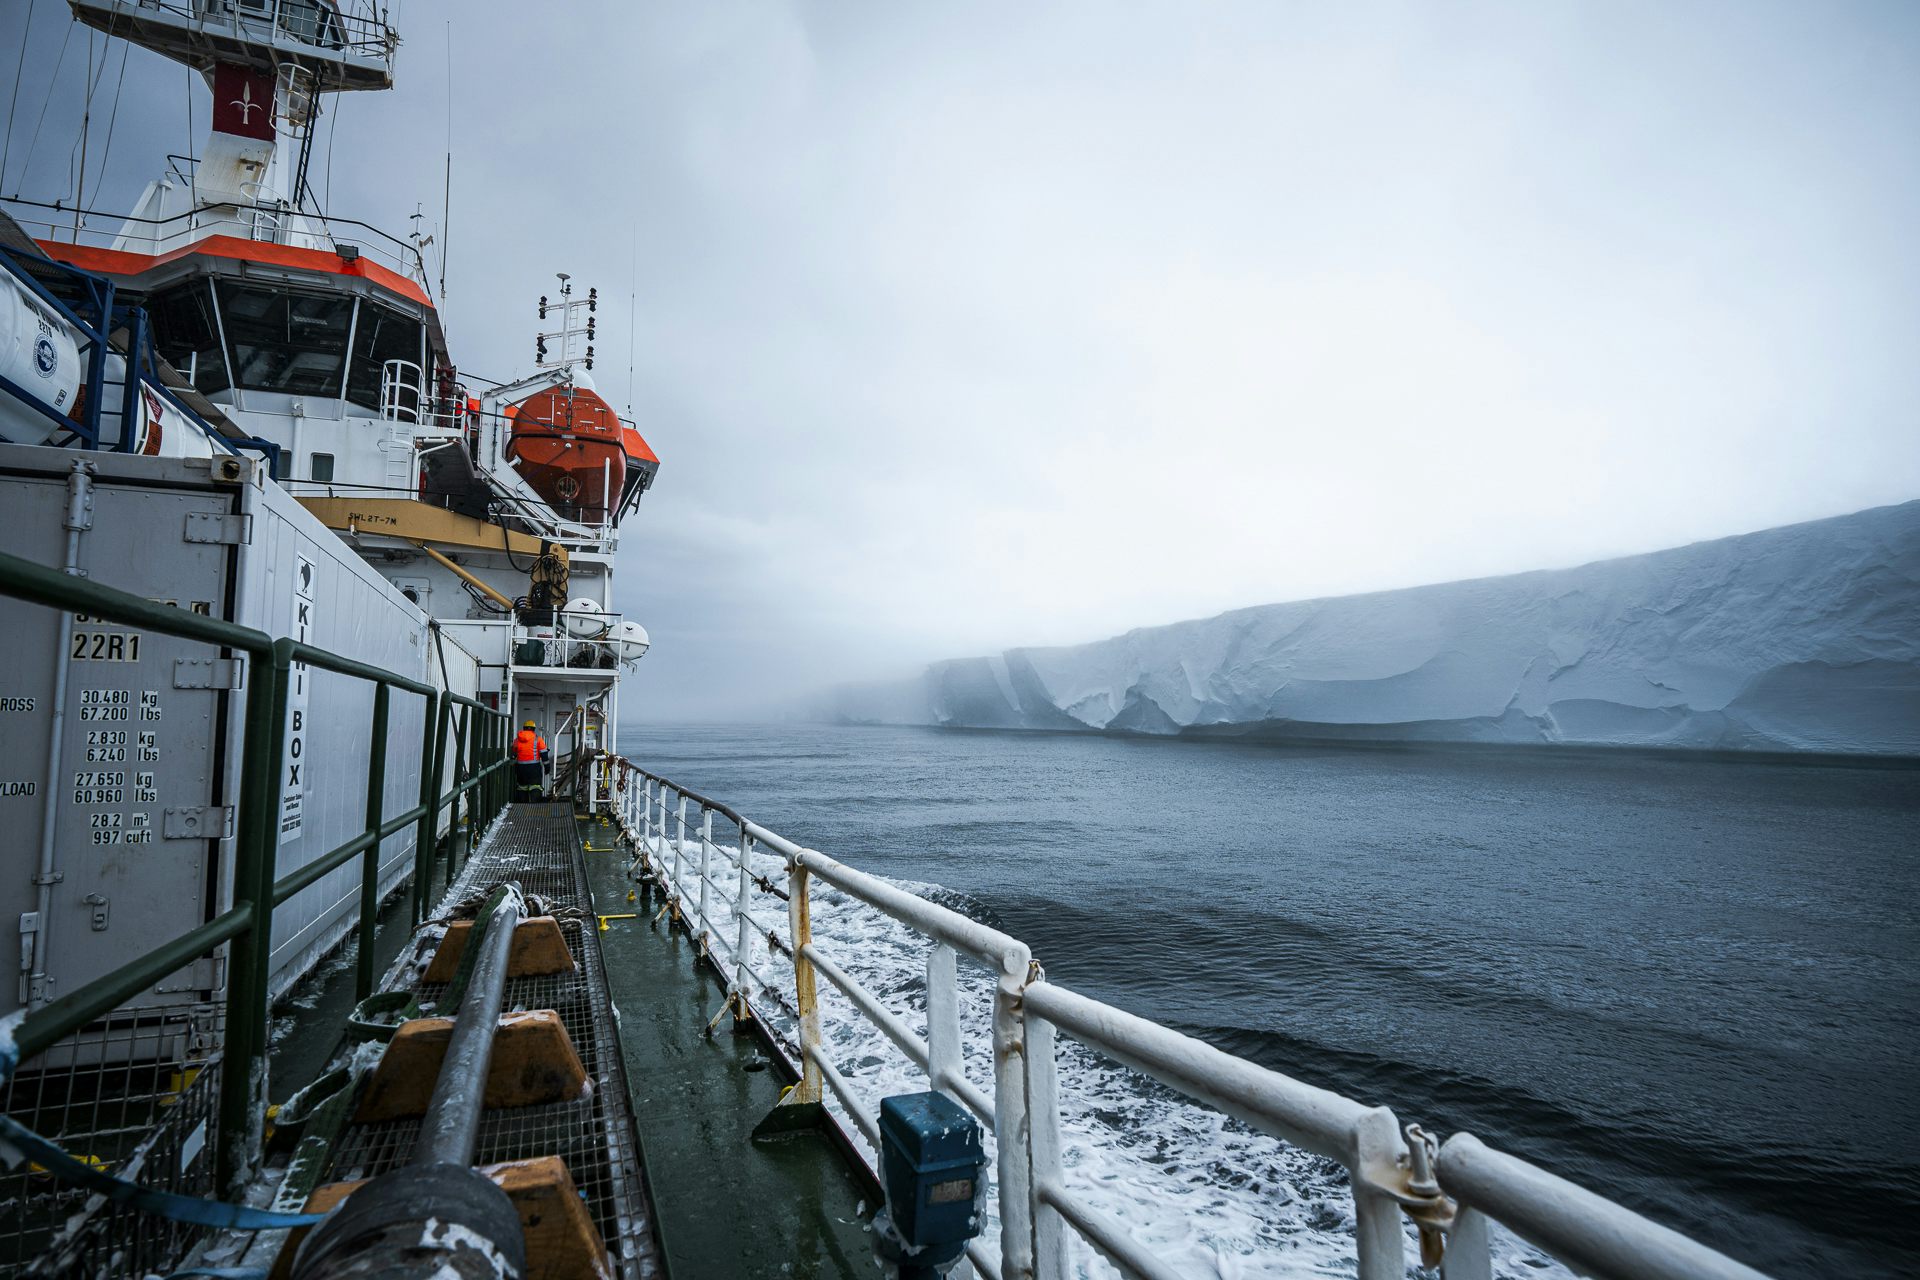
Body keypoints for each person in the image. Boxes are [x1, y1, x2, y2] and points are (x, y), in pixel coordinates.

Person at [512, 720, 548, 800]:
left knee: (522, 787)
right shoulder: (538, 739)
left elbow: (513, 754)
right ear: (534, 729)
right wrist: (547, 767)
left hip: (520, 768)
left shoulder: (516, 740)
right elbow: (544, 756)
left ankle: (521, 806)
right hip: (534, 768)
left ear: (524, 728)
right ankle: (534, 807)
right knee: (535, 787)